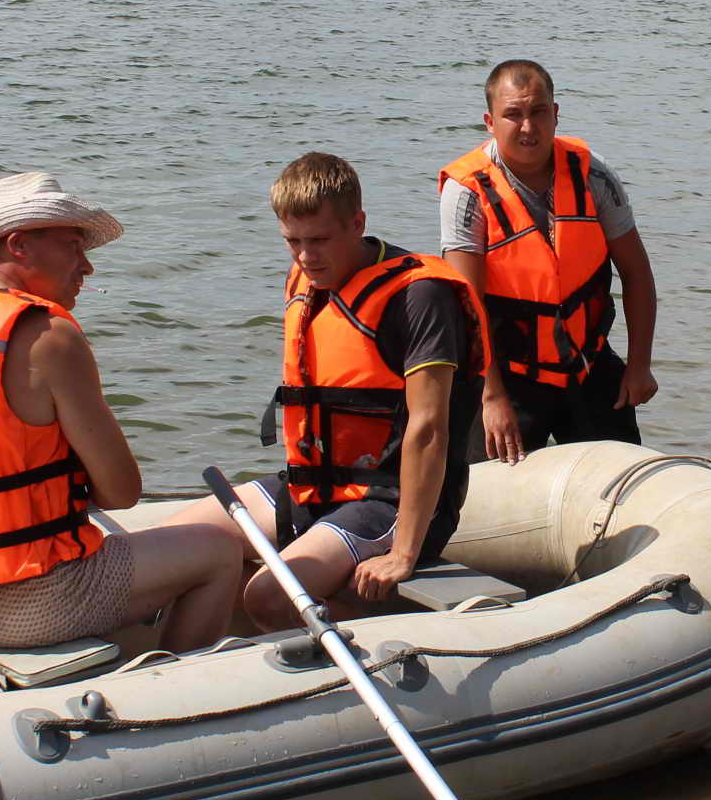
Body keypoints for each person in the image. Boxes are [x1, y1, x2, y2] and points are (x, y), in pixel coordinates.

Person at [0, 172, 244, 652]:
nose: (87, 267)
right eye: (72, 246)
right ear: (19, 244)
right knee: (220, 549)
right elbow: (122, 492)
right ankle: (182, 684)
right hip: (35, 600)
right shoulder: (48, 337)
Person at [176, 153, 483, 627]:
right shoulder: (305, 279)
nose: (305, 256)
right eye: (292, 241)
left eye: (319, 240)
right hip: (315, 488)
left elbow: (429, 430)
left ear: (357, 223)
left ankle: (404, 639)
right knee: (179, 538)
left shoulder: (421, 296)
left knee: (269, 598)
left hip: (389, 501)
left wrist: (403, 555)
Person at [439, 60, 658, 464]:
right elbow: (465, 307)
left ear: (555, 114)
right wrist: (491, 397)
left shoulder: (593, 175)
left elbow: (637, 273)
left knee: (628, 479)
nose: (528, 127)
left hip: (588, 365)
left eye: (538, 111)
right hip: (506, 375)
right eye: (513, 115)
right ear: (490, 121)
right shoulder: (467, 192)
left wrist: (639, 366)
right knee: (484, 499)